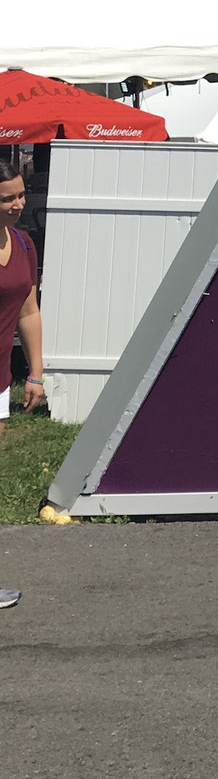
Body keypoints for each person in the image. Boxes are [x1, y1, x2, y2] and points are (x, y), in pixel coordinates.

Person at [0, 158, 44, 611]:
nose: (18, 204)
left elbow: (28, 312)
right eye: (7, 198)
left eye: (19, 195)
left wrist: (35, 372)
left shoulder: (23, 243)